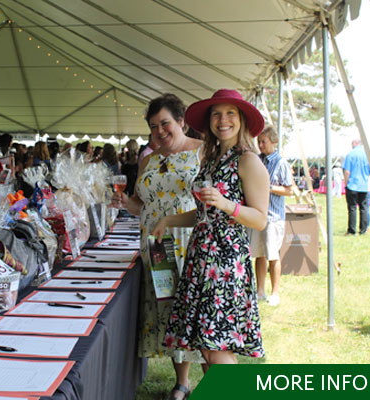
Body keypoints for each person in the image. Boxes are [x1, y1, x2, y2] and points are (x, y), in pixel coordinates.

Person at [152, 89, 269, 369]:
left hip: (226, 263)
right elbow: (206, 213)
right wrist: (170, 220)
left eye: (230, 113)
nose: (223, 120)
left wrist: (229, 205)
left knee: (216, 348)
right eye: (216, 114)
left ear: (241, 119)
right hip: (201, 257)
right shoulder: (210, 159)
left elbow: (261, 219)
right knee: (206, 347)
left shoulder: (248, 160)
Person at [112, 93, 203, 400]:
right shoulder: (149, 159)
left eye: (165, 123)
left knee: (197, 314)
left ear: (181, 121)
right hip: (157, 247)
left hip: (190, 243)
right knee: (169, 312)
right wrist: (126, 202)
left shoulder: (202, 153)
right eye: (153, 127)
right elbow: (144, 205)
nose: (160, 132)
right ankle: (182, 383)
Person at [250, 125, 293, 307]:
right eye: (259, 142)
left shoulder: (281, 163)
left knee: (273, 255)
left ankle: (275, 293)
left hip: (274, 216)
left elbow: (289, 190)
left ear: (273, 142)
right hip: (257, 215)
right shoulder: (256, 160)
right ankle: (260, 290)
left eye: (264, 142)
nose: (260, 145)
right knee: (258, 254)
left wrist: (266, 187)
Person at [343, 139, 370, 235]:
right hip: (364, 185)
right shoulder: (367, 155)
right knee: (363, 208)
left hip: (352, 185)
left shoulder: (350, 154)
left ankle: (352, 230)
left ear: (355, 143)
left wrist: (345, 183)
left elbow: (347, 171)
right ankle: (363, 230)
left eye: (352, 143)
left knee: (352, 208)